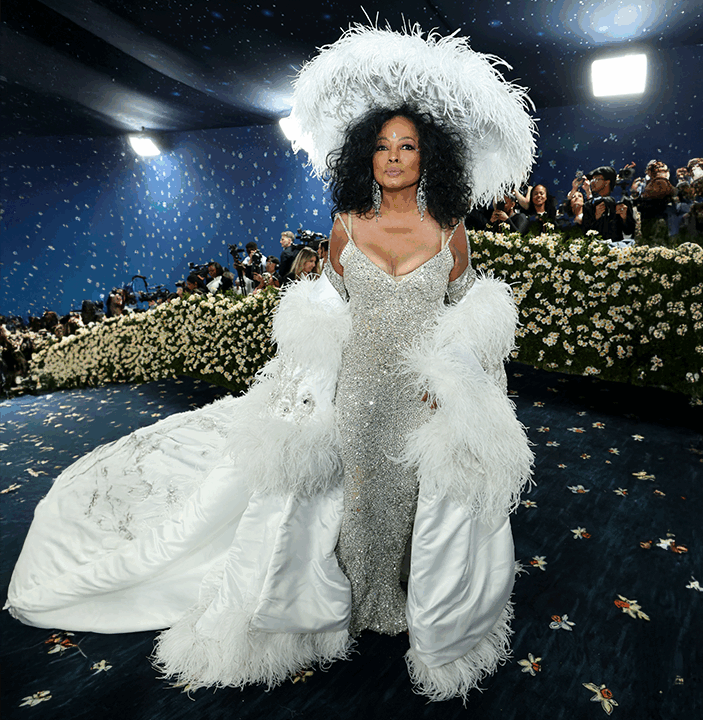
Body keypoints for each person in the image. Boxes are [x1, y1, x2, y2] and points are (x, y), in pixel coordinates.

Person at [6, 23, 535, 702]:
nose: (393, 156)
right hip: (354, 387)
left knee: (416, 494)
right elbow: (332, 303)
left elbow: (465, 308)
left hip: (419, 394)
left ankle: (412, 593)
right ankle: (355, 598)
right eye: (381, 145)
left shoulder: (451, 228)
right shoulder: (346, 223)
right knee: (354, 492)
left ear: (428, 154)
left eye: (407, 145)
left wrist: (455, 376)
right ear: (365, 154)